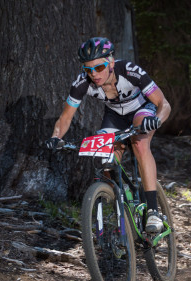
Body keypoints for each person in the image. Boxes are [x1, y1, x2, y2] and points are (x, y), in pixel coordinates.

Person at [46, 37, 171, 233]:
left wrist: (157, 119)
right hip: (114, 116)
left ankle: (153, 211)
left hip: (142, 110)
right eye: (88, 69)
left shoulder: (130, 71)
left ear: (111, 63)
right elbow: (65, 118)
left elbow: (164, 104)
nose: (94, 74)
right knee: (106, 160)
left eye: (99, 68)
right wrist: (55, 137)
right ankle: (121, 215)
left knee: (139, 144)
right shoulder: (82, 83)